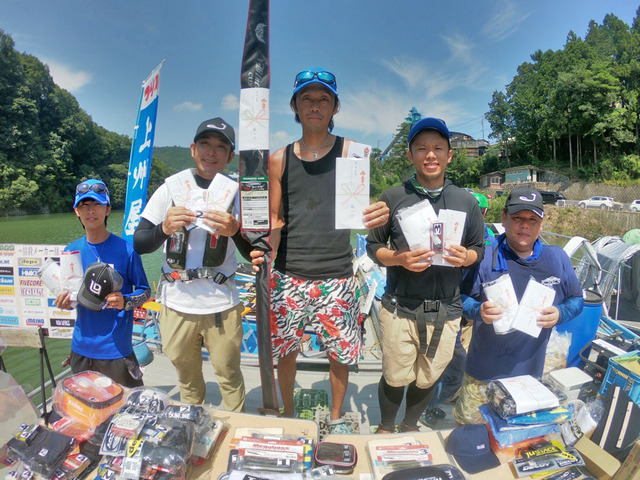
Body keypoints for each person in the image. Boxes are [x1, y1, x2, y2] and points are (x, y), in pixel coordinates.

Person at [251, 67, 389, 434]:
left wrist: (378, 212)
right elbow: (275, 218)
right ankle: (288, 412)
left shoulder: (352, 153)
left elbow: (360, 210)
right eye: (307, 98)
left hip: (337, 274)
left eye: (324, 99)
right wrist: (261, 255)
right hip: (288, 274)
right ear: (295, 105)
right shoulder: (279, 158)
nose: (315, 105)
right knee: (285, 351)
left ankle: (337, 416)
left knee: (340, 354)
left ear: (335, 107)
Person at [366, 117, 486, 433]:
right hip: (400, 306)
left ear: (449, 155)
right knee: (395, 375)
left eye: (437, 148)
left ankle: (409, 425)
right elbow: (373, 247)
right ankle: (385, 426)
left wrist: (466, 257)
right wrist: (399, 259)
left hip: (446, 308)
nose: (430, 155)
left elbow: (478, 248)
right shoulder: (392, 197)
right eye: (421, 148)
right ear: (410, 155)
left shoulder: (466, 201)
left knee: (428, 376)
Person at [134, 117, 250, 410]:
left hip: (221, 304)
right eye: (205, 144)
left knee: (229, 375)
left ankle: (234, 427)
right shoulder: (170, 189)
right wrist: (164, 228)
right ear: (193, 149)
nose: (211, 152)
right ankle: (191, 425)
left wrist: (236, 230)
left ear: (230, 156)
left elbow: (255, 254)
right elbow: (140, 243)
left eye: (221, 147)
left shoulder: (238, 195)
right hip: (176, 303)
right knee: (187, 380)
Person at [453, 186, 584, 425]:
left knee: (515, 437)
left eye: (532, 220)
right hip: (482, 373)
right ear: (504, 218)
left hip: (530, 375)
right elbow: (459, 298)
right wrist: (478, 311)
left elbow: (577, 300)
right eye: (517, 218)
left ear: (541, 224)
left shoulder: (557, 259)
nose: (525, 225)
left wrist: (560, 313)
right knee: (469, 432)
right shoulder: (484, 257)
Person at [55, 179, 151, 387]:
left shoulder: (127, 250)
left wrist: (125, 300)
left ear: (107, 209)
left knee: (126, 404)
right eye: (84, 205)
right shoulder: (70, 252)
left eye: (97, 204)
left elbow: (145, 291)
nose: (91, 211)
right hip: (81, 349)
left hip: (116, 349)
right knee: (86, 405)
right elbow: (71, 296)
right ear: (76, 211)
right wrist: (64, 303)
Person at [419, 192, 495, 427]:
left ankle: (437, 401)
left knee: (454, 364)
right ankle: (427, 406)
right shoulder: (448, 235)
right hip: (448, 309)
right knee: (444, 364)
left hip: (472, 312)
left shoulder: (488, 240)